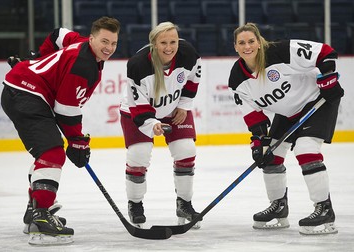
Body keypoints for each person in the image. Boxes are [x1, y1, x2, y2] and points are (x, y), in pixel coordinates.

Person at [1, 16, 121, 245]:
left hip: (24, 91)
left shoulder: (82, 42)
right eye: (104, 41)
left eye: (114, 43)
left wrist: (39, 58)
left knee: (48, 152)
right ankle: (41, 216)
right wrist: (78, 142)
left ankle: (35, 209)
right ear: (93, 37)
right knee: (52, 153)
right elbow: (66, 110)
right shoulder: (84, 65)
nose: (109, 48)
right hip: (26, 95)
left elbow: (57, 34)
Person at [228, 23, 344, 235]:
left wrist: (327, 78)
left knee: (305, 149)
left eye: (251, 41)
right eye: (242, 43)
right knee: (270, 155)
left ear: (259, 42)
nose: (247, 46)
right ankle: (279, 207)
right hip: (287, 114)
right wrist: (259, 142)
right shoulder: (237, 79)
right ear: (235, 46)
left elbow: (325, 52)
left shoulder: (281, 51)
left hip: (317, 102)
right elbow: (254, 116)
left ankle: (324, 208)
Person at [119, 22, 202, 228]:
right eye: (163, 42)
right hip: (138, 112)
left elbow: (193, 79)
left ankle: (184, 204)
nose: (169, 47)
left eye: (173, 42)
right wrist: (152, 123)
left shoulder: (188, 54)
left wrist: (184, 105)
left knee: (186, 150)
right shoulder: (138, 65)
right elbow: (138, 106)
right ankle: (135, 204)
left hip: (173, 109)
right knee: (139, 155)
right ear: (153, 44)